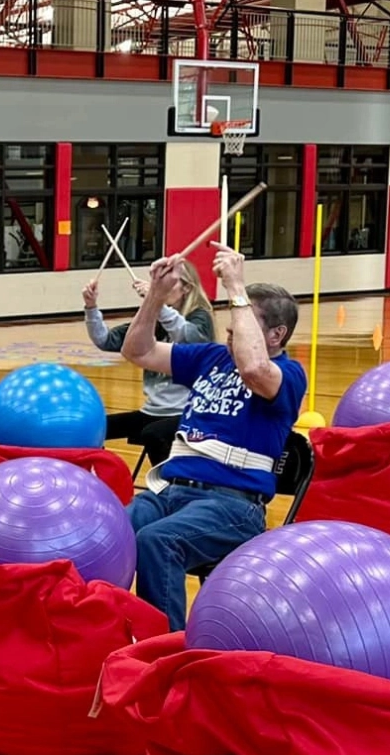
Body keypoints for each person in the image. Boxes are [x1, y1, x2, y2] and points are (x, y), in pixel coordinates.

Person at [121, 248, 307, 631]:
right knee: (113, 531)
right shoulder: (210, 357)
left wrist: (235, 286)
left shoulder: (288, 374)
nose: (230, 332)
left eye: (243, 323)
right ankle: (103, 633)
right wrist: (155, 295)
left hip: (233, 506)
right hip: (172, 491)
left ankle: (166, 653)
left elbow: (255, 367)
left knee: (157, 542)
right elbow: (136, 350)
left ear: (276, 334)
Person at [84, 259, 214, 466]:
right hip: (151, 411)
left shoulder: (200, 317)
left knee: (154, 435)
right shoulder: (154, 318)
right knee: (91, 430)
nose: (161, 288)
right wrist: (91, 307)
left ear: (187, 288)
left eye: (169, 283)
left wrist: (157, 301)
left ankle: (166, 490)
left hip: (184, 414)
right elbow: (105, 340)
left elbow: (190, 340)